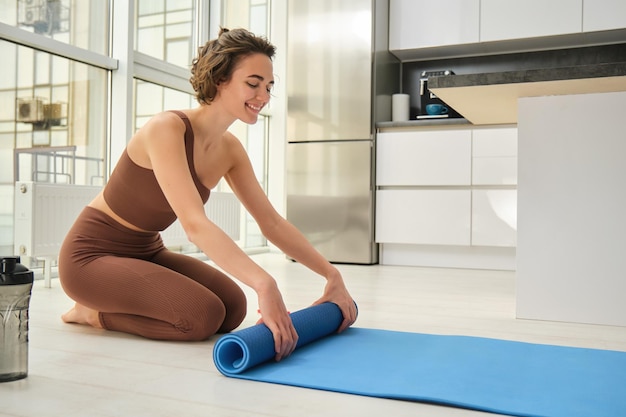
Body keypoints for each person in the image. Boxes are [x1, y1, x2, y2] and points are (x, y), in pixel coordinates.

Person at [58, 27, 357, 361]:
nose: (263, 96)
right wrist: (264, 283)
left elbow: (271, 222)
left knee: (231, 308)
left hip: (146, 251)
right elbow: (194, 225)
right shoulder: (166, 128)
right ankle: (89, 312)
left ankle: (116, 300)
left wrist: (332, 275)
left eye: (269, 86)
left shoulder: (230, 149)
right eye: (253, 83)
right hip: (91, 257)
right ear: (220, 80)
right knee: (200, 317)